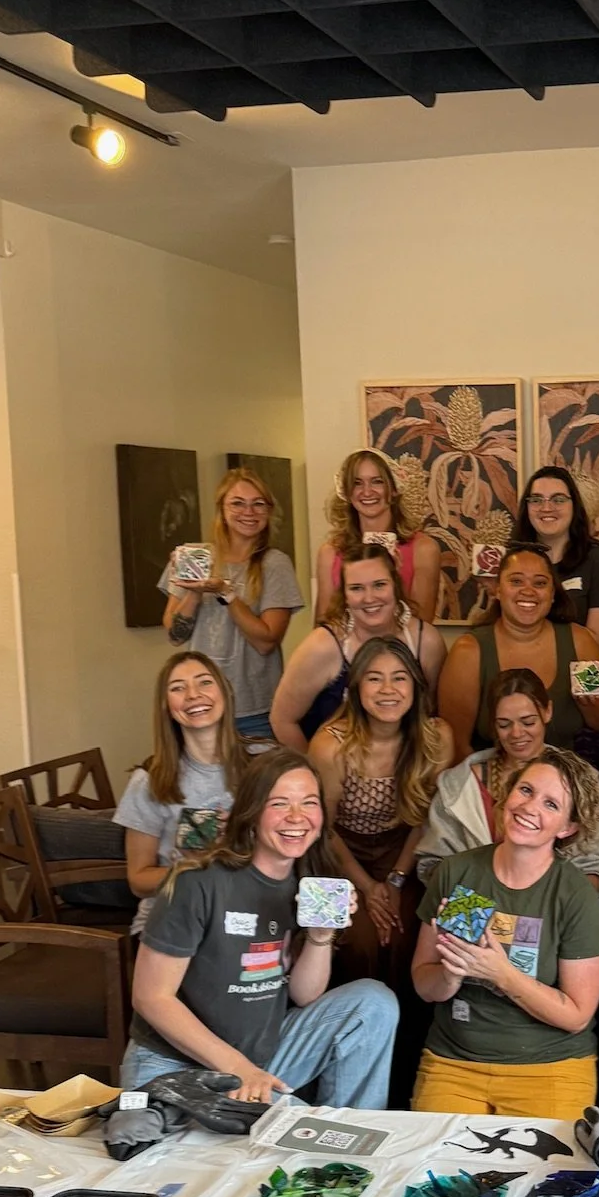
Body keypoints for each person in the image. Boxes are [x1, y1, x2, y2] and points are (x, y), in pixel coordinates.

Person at [122, 749, 398, 1110]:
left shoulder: (310, 883)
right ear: (251, 813)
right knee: (276, 1134)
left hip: (259, 1057)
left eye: (309, 803)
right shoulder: (198, 881)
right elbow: (151, 998)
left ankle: (350, 1132)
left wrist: (319, 936)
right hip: (175, 1063)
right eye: (279, 804)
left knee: (374, 1002)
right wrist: (241, 1070)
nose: (297, 817)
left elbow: (305, 995)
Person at [412, 746, 599, 1116]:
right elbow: (425, 984)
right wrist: (451, 974)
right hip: (455, 1064)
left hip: (550, 1068)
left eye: (551, 804)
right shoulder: (461, 874)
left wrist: (501, 974)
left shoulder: (572, 893)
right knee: (433, 1173)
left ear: (568, 828)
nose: (531, 807)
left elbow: (577, 1014)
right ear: (507, 793)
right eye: (526, 790)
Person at [307, 635, 451, 991]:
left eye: (399, 677)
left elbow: (424, 819)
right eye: (374, 678)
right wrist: (368, 886)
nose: (388, 689)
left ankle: (406, 1041)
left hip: (405, 851)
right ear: (356, 688)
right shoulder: (330, 745)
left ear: (416, 687)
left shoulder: (437, 737)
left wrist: (396, 879)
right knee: (360, 942)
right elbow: (321, 830)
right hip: (339, 855)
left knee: (409, 933)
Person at [416, 667, 599, 891]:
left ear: (547, 712)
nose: (516, 733)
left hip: (549, 906)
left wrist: (557, 900)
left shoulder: (581, 780)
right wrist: (477, 901)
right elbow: (432, 865)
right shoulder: (458, 785)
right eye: (504, 724)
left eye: (528, 722)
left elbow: (597, 865)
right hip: (473, 904)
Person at [161, 466, 303, 742]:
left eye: (258, 504)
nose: (248, 512)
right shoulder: (195, 557)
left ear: (269, 511)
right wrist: (194, 591)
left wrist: (226, 593)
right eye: (237, 503)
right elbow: (175, 636)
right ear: (222, 510)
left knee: (256, 785)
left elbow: (267, 641)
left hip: (255, 710)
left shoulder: (275, 564)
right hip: (199, 706)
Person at [438, 545, 599, 761]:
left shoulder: (579, 642)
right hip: (492, 782)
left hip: (563, 781)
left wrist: (589, 702)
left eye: (540, 583)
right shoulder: (468, 651)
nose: (528, 590)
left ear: (552, 594)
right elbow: (456, 746)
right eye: (516, 581)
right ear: (497, 589)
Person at [115, 651, 245, 936]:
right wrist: (196, 865)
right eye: (177, 688)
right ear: (166, 706)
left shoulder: (265, 762)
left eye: (204, 682)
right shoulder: (149, 781)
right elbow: (138, 880)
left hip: (246, 914)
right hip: (173, 918)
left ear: (226, 692)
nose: (193, 694)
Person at [270, 543, 443, 752]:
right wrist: (315, 773)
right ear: (344, 594)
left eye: (379, 585)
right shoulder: (321, 646)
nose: (369, 598)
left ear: (395, 585)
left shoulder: (427, 642)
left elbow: (430, 714)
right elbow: (282, 720)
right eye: (356, 588)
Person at [315, 447, 440, 625]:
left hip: (401, 650)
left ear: (394, 488)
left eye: (377, 482)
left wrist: (392, 578)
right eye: (357, 483)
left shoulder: (423, 549)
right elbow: (324, 624)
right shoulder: (330, 552)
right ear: (347, 492)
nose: (367, 492)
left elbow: (422, 625)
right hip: (346, 651)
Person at [511, 466, 599, 653]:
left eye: (558, 499)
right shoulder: (512, 560)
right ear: (527, 507)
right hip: (519, 673)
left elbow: (597, 647)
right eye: (536, 499)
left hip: (580, 675)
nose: (546, 507)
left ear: (575, 506)